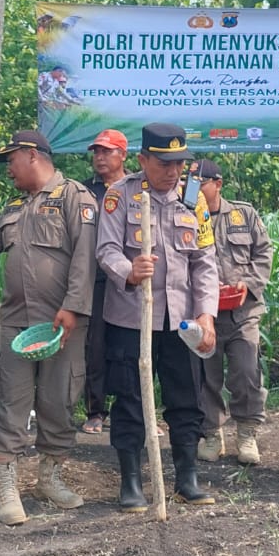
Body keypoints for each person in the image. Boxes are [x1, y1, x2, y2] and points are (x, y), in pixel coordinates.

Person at [0, 130, 97, 525]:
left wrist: (73, 307)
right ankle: (6, 486)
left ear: (32, 156)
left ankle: (50, 476)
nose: (8, 170)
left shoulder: (74, 198)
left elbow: (85, 258)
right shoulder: (14, 206)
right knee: (11, 399)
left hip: (62, 322)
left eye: (11, 160)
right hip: (16, 323)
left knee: (57, 400)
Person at [95, 122, 219, 510]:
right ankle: (131, 481)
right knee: (130, 397)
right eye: (164, 163)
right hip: (132, 319)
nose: (173, 172)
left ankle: (187, 477)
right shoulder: (120, 195)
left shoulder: (193, 198)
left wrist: (207, 316)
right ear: (143, 159)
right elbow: (107, 250)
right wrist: (128, 271)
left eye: (179, 164)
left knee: (187, 396)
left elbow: (205, 263)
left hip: (182, 321)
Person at [192, 160, 273, 466]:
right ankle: (212, 433)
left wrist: (247, 283)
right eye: (191, 184)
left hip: (243, 310)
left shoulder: (244, 213)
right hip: (204, 312)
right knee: (206, 375)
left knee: (246, 370)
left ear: (217, 183)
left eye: (200, 183)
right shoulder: (186, 216)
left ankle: (247, 432)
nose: (195, 190)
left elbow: (264, 252)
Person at [81, 128, 129, 435]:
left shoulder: (137, 188)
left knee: (129, 346)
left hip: (130, 280)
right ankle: (95, 410)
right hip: (96, 279)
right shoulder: (83, 192)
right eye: (96, 151)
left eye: (107, 151)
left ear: (123, 155)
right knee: (94, 346)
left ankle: (130, 407)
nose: (100, 157)